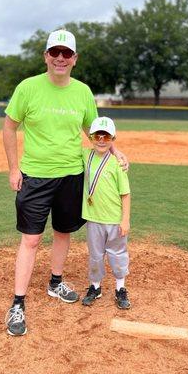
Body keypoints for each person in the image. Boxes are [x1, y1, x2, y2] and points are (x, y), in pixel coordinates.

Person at [2, 29, 127, 336]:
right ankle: (18, 303)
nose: (60, 58)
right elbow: (9, 127)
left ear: (75, 59)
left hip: (72, 175)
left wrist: (115, 150)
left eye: (66, 53)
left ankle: (55, 282)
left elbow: (94, 131)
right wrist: (14, 168)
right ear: (46, 56)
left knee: (62, 232)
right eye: (54, 52)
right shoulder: (28, 88)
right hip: (35, 176)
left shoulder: (83, 92)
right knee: (31, 239)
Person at [80, 117, 131, 310]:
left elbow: (125, 194)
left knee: (117, 255)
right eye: (97, 135)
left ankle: (120, 288)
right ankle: (95, 287)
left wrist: (125, 220)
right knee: (95, 255)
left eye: (106, 135)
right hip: (93, 219)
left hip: (114, 220)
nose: (101, 139)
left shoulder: (117, 164)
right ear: (91, 137)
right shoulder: (85, 155)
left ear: (113, 138)